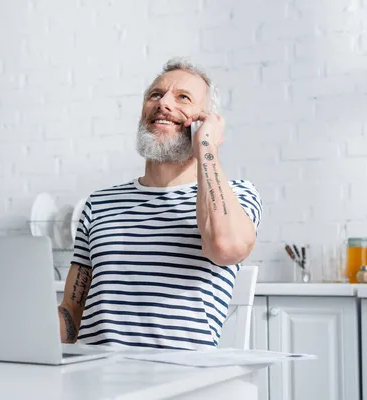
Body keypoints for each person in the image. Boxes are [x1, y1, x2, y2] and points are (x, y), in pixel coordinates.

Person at [57, 57, 262, 350]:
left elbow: (225, 247)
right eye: (156, 94)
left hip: (181, 383)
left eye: (183, 98)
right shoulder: (99, 204)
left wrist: (206, 146)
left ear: (207, 120)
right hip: (95, 381)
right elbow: (71, 314)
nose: (163, 103)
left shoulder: (237, 196)